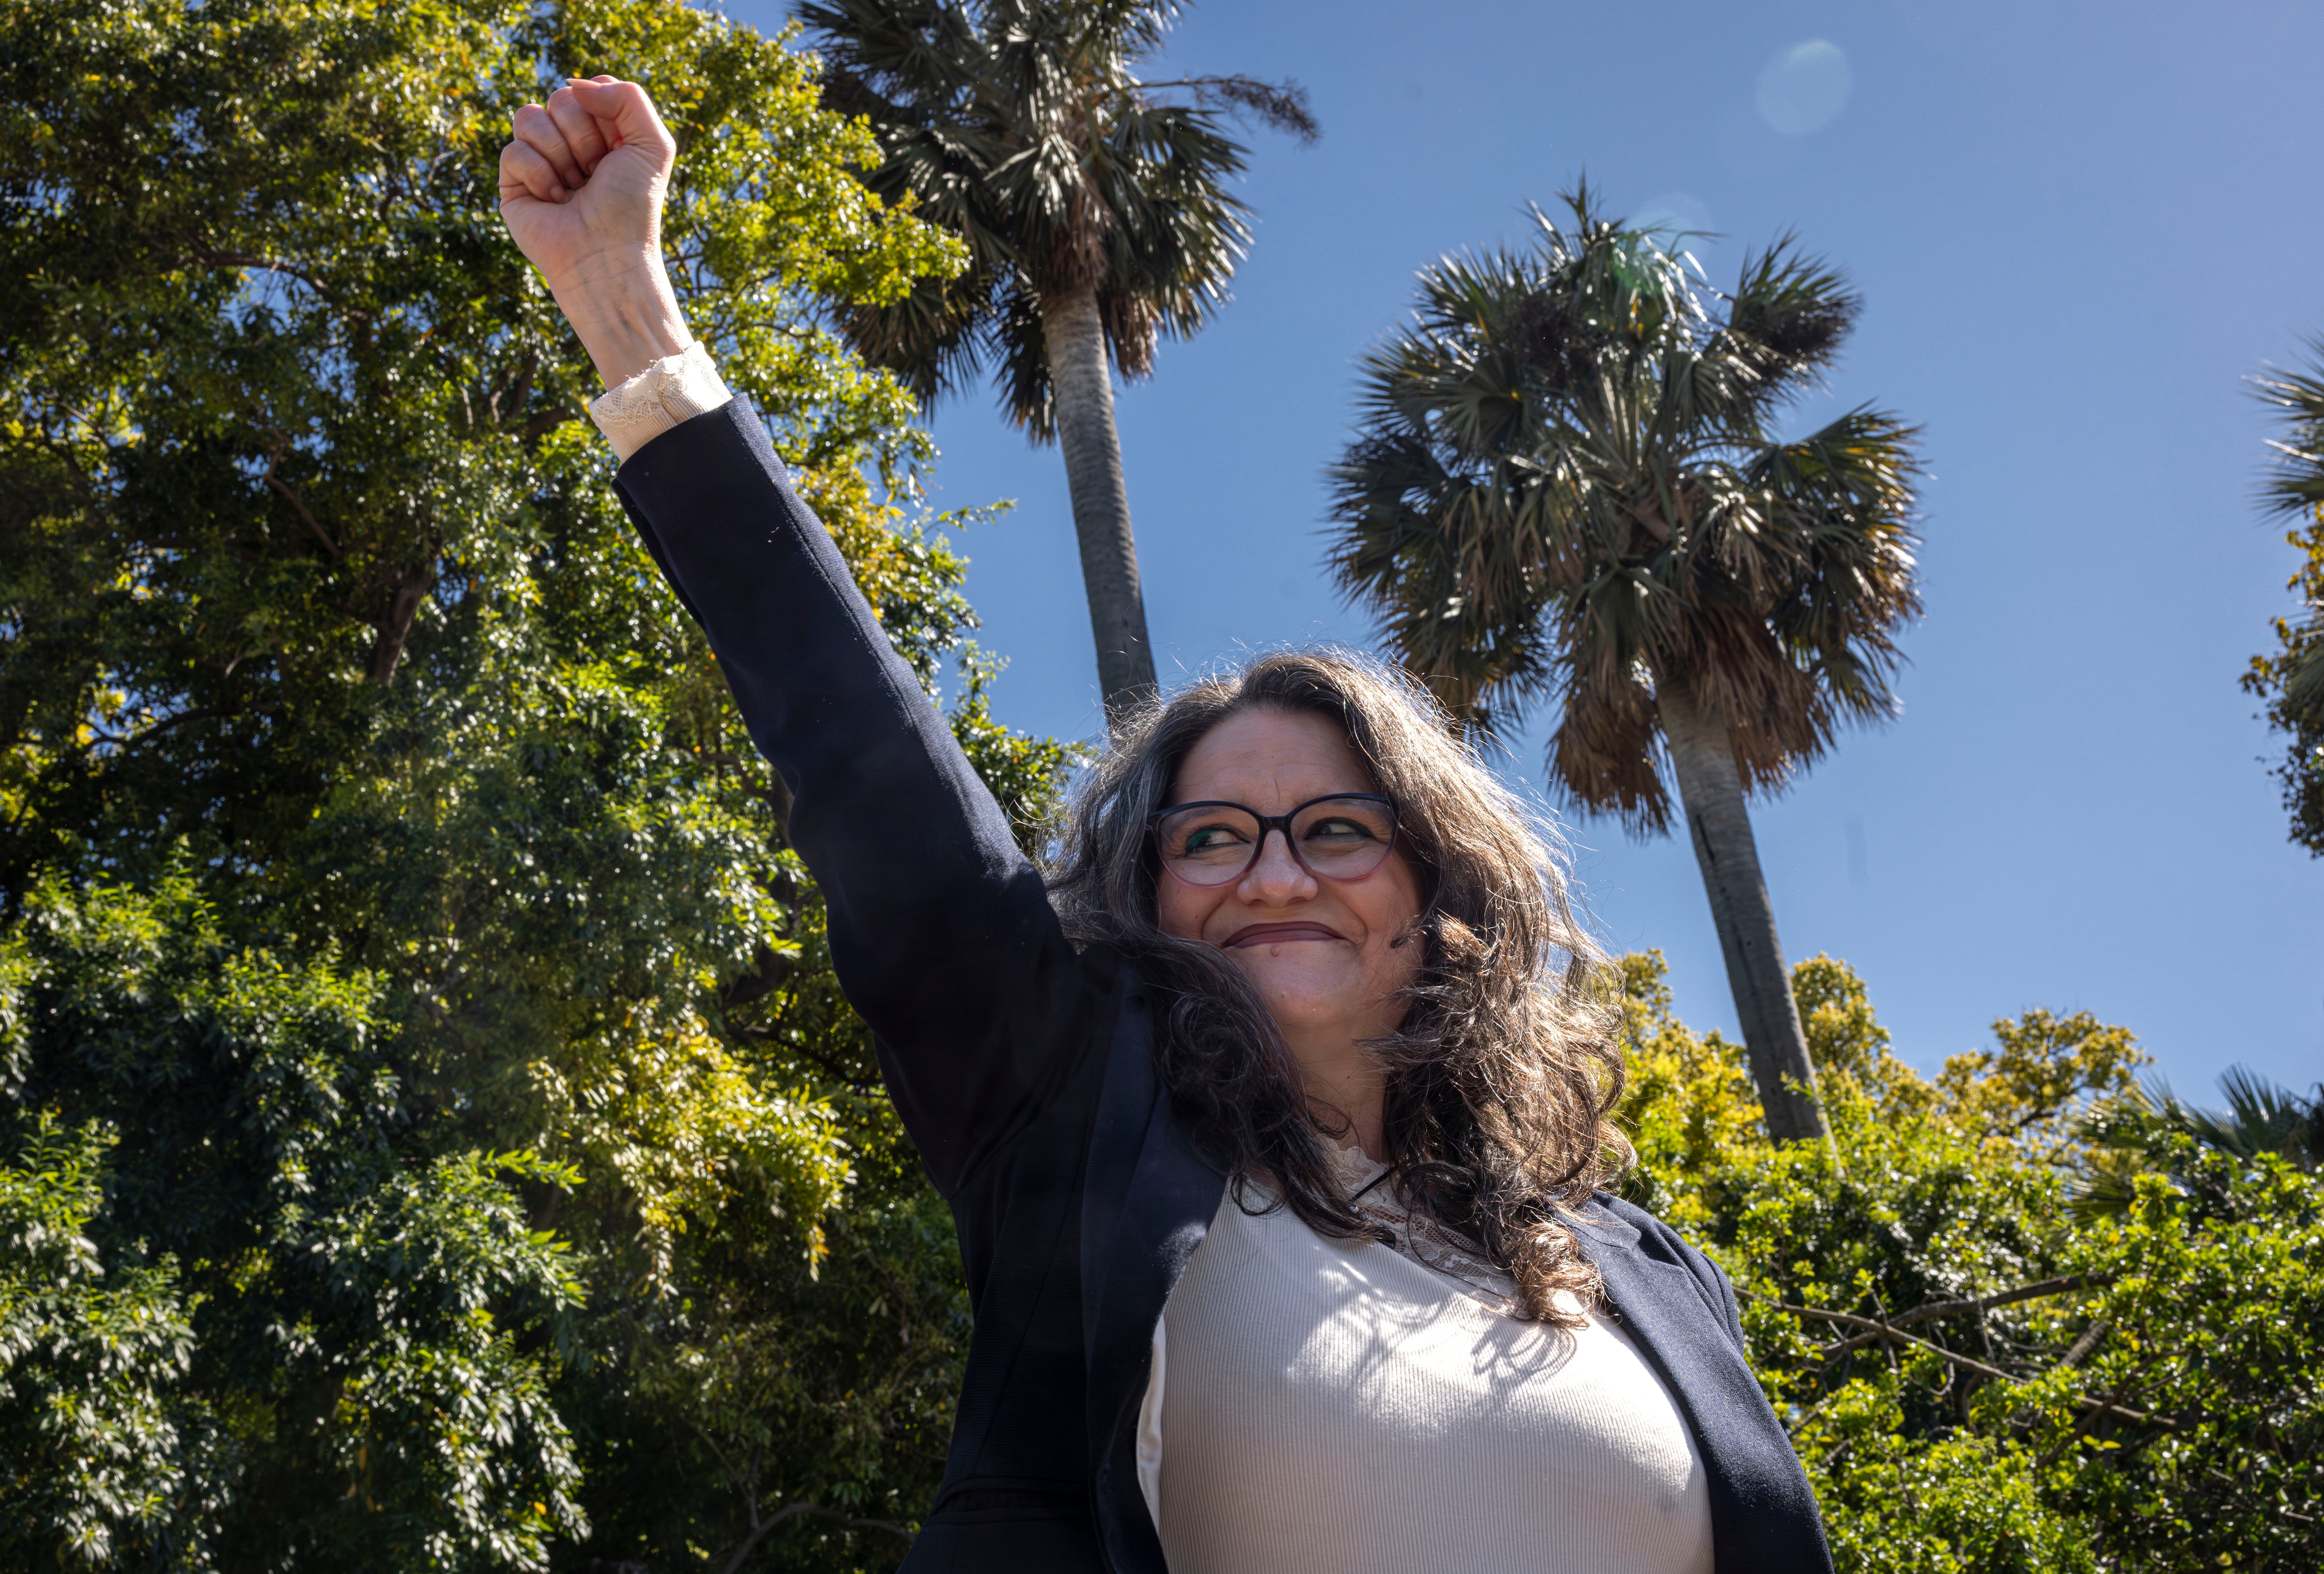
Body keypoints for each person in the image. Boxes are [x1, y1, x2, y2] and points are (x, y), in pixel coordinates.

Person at [499, 77, 1834, 1574]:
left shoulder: (1646, 1270)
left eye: (1334, 828)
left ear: (1434, 886)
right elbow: (874, 773)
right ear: (1150, 893)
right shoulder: (1072, 1122)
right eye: (1210, 838)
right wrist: (627, 309)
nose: (1272, 871)